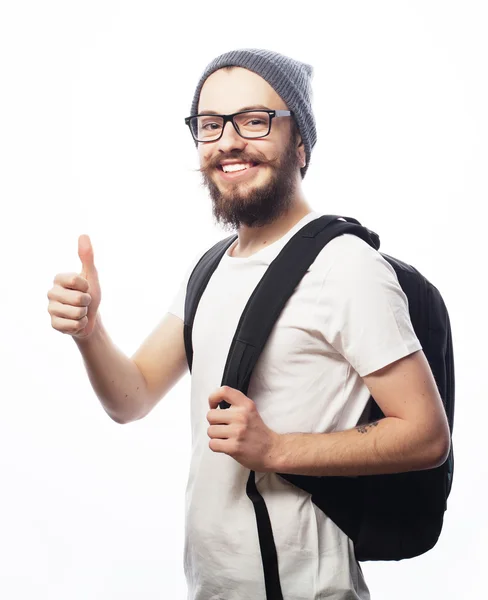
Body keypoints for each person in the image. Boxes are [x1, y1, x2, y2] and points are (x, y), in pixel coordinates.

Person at [47, 48, 451, 600]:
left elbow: (426, 435)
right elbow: (132, 398)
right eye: (210, 125)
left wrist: (276, 449)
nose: (228, 141)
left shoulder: (345, 265)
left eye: (254, 120)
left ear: (301, 143)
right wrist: (90, 332)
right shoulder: (213, 266)